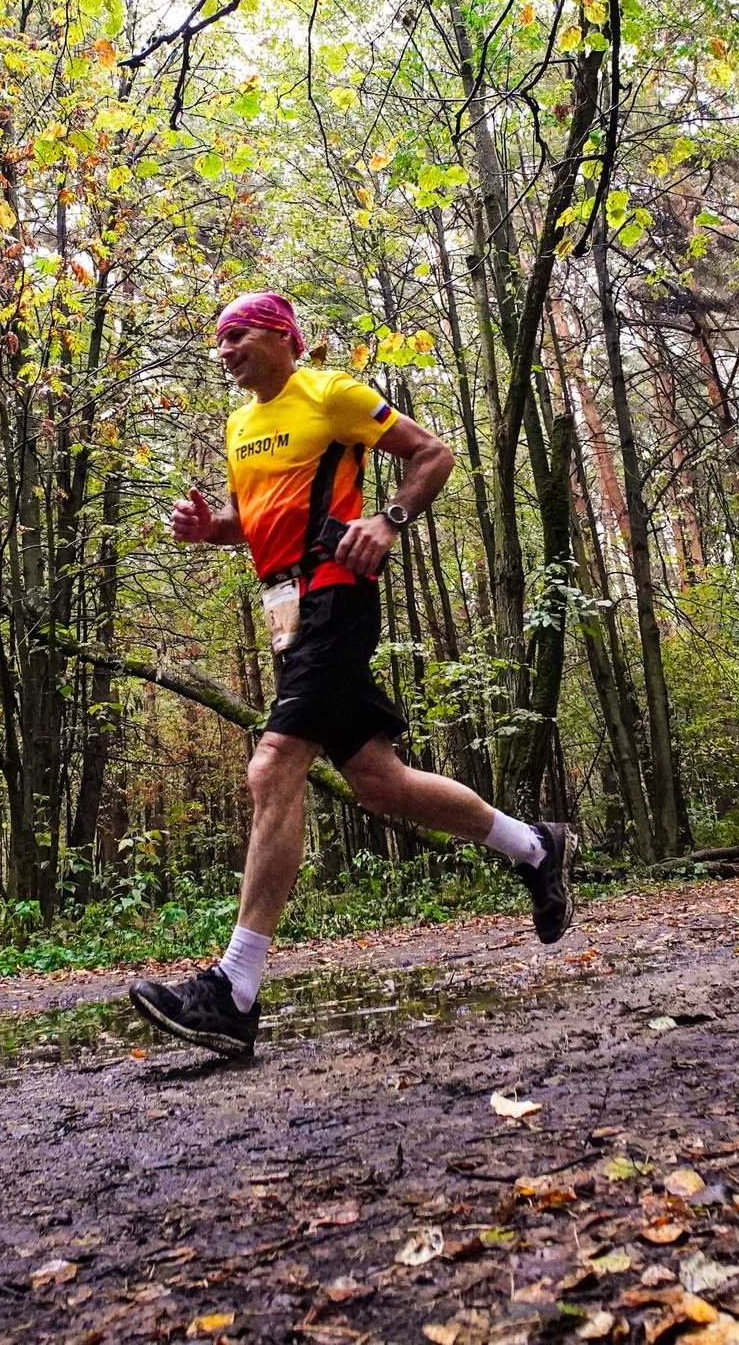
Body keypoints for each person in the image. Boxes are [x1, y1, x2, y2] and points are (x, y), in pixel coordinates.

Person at [129, 291, 576, 1058]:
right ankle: (537, 846)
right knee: (379, 780)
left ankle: (234, 989)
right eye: (218, 343)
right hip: (287, 615)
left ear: (281, 336)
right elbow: (258, 519)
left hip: (337, 594)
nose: (224, 352)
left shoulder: (331, 393)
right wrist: (213, 531)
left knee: (272, 767)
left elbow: (433, 452)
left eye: (235, 336)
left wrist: (389, 519)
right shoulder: (239, 425)